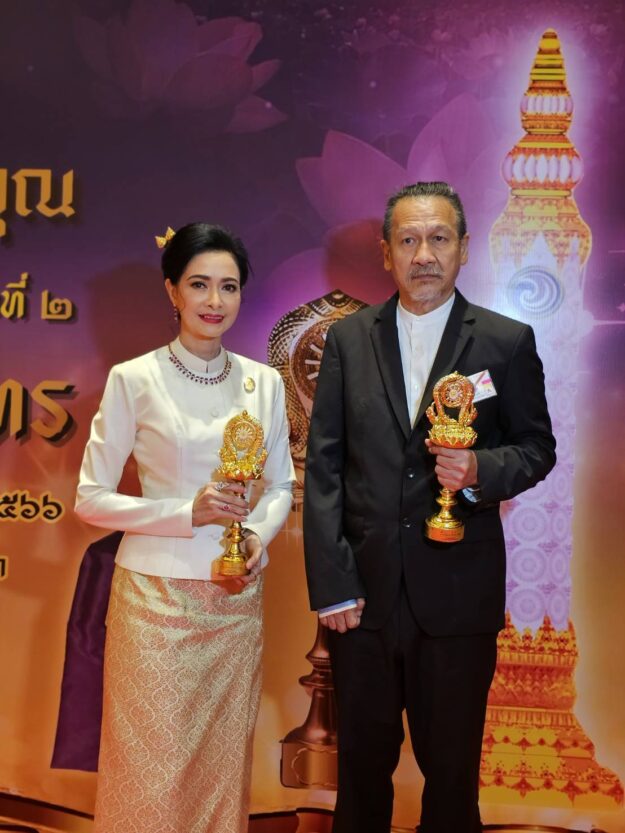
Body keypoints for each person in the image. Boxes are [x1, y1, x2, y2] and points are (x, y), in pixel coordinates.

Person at [303, 182, 556, 833]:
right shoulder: (349, 339)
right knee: (360, 775)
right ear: (385, 252)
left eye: (438, 238)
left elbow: (536, 447)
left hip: (459, 595)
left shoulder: (505, 340)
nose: (424, 255)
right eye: (408, 240)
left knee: (451, 778)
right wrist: (332, 584)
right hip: (362, 600)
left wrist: (479, 471)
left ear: (463, 248)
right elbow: (324, 466)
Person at [75, 222, 294, 833]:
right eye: (199, 284)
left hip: (234, 599)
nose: (214, 301)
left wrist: (256, 539)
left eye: (229, 286)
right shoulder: (134, 378)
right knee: (152, 769)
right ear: (172, 290)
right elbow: (90, 499)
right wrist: (184, 514)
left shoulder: (263, 382)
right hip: (155, 601)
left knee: (221, 768)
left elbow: (280, 486)